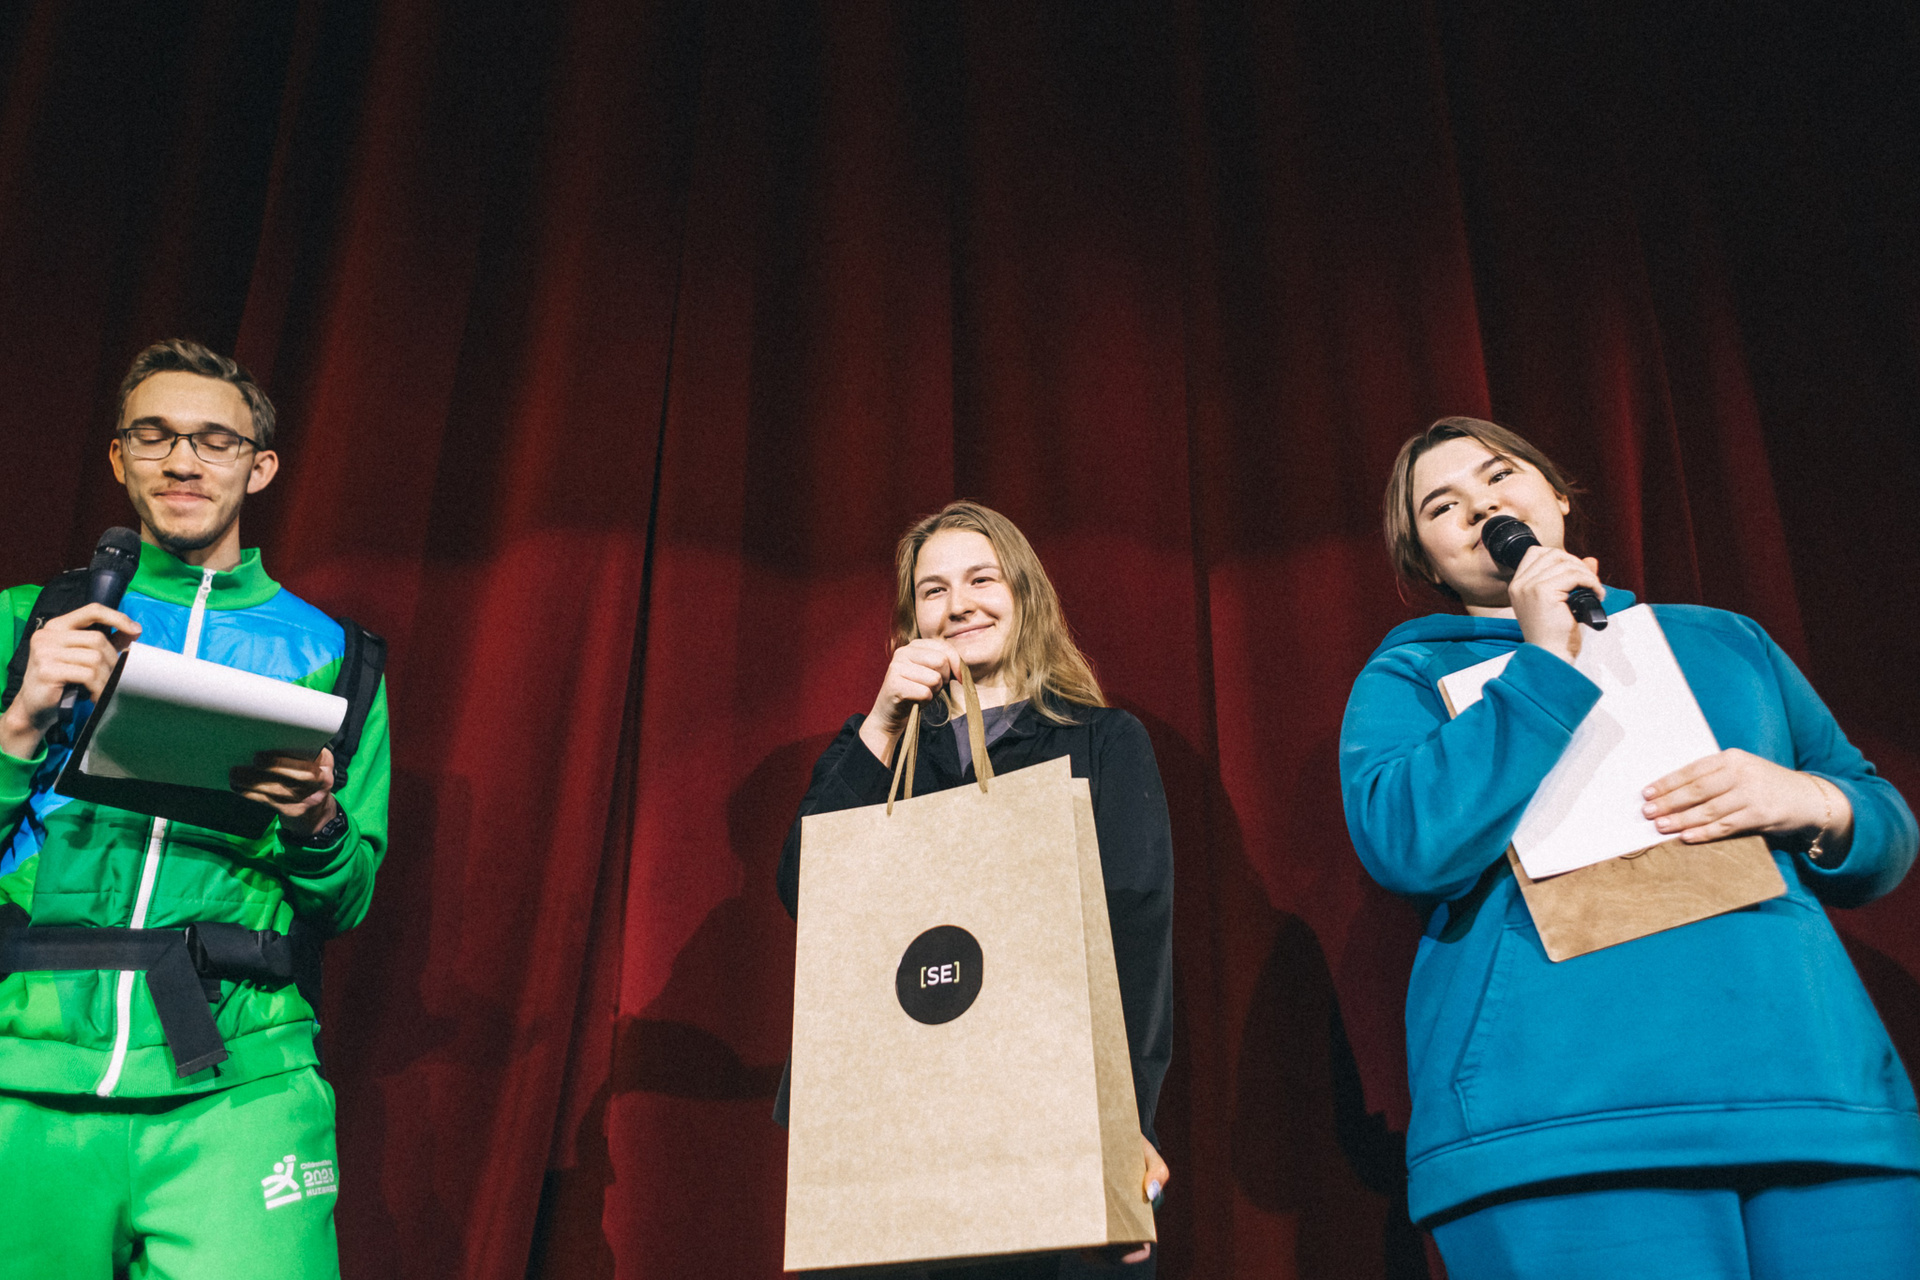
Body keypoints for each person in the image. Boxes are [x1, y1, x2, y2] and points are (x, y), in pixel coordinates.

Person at [1339, 416, 1920, 1278]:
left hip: (1815, 1095)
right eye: (1442, 507)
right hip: (1563, 1122)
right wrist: (1543, 660)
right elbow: (1407, 843)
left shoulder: (1724, 640)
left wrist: (1808, 800)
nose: (1481, 507)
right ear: (1425, 561)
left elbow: (1881, 826)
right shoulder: (1412, 674)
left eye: (1499, 476)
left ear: (1556, 495)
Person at [0, 339, 390, 1279]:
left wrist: (315, 825)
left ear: (260, 468)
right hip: (24, 1071)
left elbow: (349, 900)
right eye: (156, 435)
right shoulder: (26, 623)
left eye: (216, 441)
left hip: (240, 1082)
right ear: (118, 456)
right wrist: (17, 726)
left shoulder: (336, 656)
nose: (184, 461)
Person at [777, 501, 1174, 1277]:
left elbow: (1135, 935)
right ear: (910, 625)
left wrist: (1125, 1121)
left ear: (1025, 597)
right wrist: (882, 723)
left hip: (1049, 1123)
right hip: (890, 1136)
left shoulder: (1102, 742)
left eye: (982, 579)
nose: (959, 604)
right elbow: (806, 890)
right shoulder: (877, 750)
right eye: (934, 590)